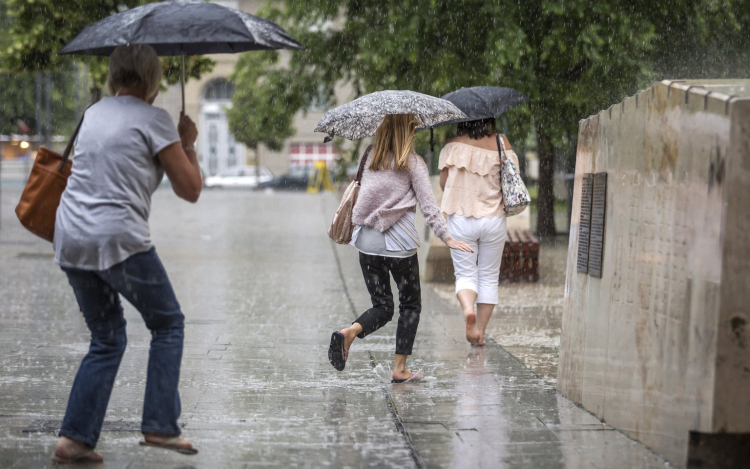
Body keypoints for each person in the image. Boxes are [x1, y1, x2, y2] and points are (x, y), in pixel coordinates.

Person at [51, 44, 202, 463]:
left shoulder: (93, 113)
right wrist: (187, 142)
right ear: (152, 80)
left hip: (70, 236)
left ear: (115, 76)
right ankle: (159, 425)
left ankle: (74, 439)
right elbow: (190, 190)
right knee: (168, 324)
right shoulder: (155, 119)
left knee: (107, 338)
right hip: (118, 239)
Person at [328, 114, 473, 383]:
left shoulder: (369, 155)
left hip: (368, 245)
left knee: (382, 306)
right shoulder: (413, 163)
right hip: (400, 247)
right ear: (406, 132)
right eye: (413, 128)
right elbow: (429, 206)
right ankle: (400, 368)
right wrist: (447, 237)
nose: (416, 132)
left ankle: (350, 332)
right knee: (410, 305)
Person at [438, 118, 520, 346]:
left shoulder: (452, 145)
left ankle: (467, 310)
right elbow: (512, 177)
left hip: (462, 217)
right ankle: (480, 332)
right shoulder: (501, 142)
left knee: (465, 273)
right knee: (489, 276)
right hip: (493, 218)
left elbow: (444, 184)